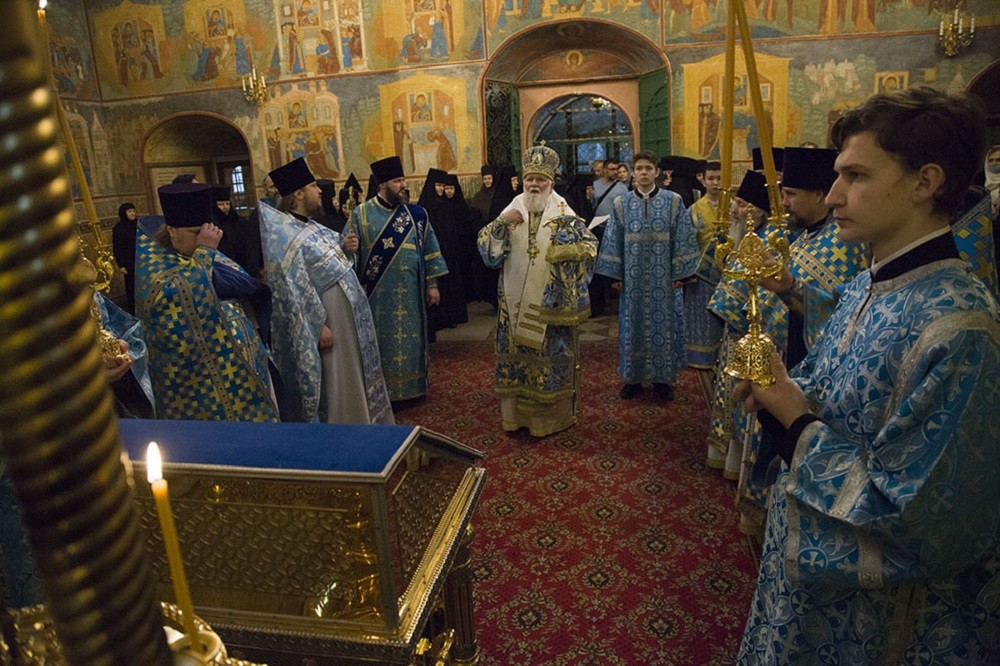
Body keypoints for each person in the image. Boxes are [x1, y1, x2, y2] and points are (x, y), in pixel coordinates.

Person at [735, 87, 1000, 664]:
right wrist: (781, 390)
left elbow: (925, 521)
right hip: (809, 593)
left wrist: (796, 422)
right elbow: (831, 394)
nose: (833, 196)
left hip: (881, 623)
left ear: (925, 182)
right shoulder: (866, 285)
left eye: (854, 176)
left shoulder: (960, 330)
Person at [477, 145, 597, 437]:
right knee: (515, 358)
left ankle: (551, 421)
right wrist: (502, 223)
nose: (534, 184)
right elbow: (487, 251)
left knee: (548, 361)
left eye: (540, 180)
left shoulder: (564, 212)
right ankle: (514, 418)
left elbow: (589, 248)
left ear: (551, 183)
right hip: (512, 302)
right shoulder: (512, 208)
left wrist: (567, 247)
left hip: (549, 306)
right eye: (529, 179)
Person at [261, 158, 392, 424]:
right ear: (298, 194)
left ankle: (365, 420)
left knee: (353, 371)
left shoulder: (312, 226)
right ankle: (347, 426)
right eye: (313, 186)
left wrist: (347, 249)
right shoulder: (283, 235)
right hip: (328, 320)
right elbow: (290, 288)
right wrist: (317, 325)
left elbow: (333, 264)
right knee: (338, 377)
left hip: (347, 319)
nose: (320, 190)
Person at [136, 183, 278, 421]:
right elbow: (176, 299)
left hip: (246, 373)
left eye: (208, 232)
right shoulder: (155, 267)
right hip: (199, 388)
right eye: (196, 233)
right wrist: (204, 252)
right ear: (172, 230)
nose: (207, 239)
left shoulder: (207, 254)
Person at [595, 150, 699, 401]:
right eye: (639, 168)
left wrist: (681, 274)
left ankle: (662, 380)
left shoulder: (673, 201)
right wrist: (615, 276)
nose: (643, 173)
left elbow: (683, 237)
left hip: (665, 280)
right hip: (633, 280)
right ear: (633, 172)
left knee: (665, 326)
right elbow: (613, 239)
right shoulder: (621, 204)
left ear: (656, 172)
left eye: (648, 168)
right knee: (633, 327)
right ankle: (633, 379)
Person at [758, 146, 868, 369]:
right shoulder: (807, 235)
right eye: (783, 194)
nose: (784, 203)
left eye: (791, 194)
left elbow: (838, 315)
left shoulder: (843, 242)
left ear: (819, 195)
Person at [350, 156, 448, 402]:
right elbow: (348, 257)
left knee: (411, 341)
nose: (403, 185)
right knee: (382, 345)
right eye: (397, 181)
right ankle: (385, 392)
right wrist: (346, 249)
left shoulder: (417, 214)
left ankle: (413, 389)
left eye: (403, 179)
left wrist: (432, 285)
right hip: (377, 297)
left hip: (411, 293)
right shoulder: (361, 214)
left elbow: (430, 250)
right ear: (382, 184)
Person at [683, 161, 725, 370]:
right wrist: (689, 272)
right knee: (702, 316)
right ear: (703, 180)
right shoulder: (694, 210)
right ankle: (701, 358)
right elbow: (687, 243)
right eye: (711, 179)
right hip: (702, 272)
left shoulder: (734, 207)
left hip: (728, 272)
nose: (715, 183)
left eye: (719, 178)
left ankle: (724, 356)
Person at [112, 201, 138, 313]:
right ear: (124, 213)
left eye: (133, 211)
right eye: (129, 211)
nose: (132, 213)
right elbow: (117, 247)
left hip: (141, 260)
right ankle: (133, 311)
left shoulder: (139, 225)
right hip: (129, 263)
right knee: (132, 287)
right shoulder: (118, 228)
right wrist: (121, 265)